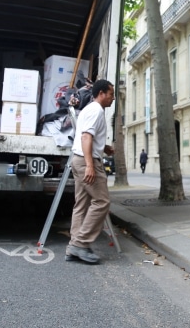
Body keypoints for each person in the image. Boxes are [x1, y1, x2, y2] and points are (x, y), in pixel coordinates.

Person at [66, 79, 115, 264]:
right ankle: (80, 244)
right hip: (86, 161)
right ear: (101, 93)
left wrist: (105, 148)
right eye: (111, 94)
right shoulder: (96, 111)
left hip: (78, 158)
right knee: (102, 201)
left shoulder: (89, 109)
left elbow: (87, 136)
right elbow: (86, 136)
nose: (113, 98)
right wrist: (90, 165)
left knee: (82, 204)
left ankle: (73, 246)